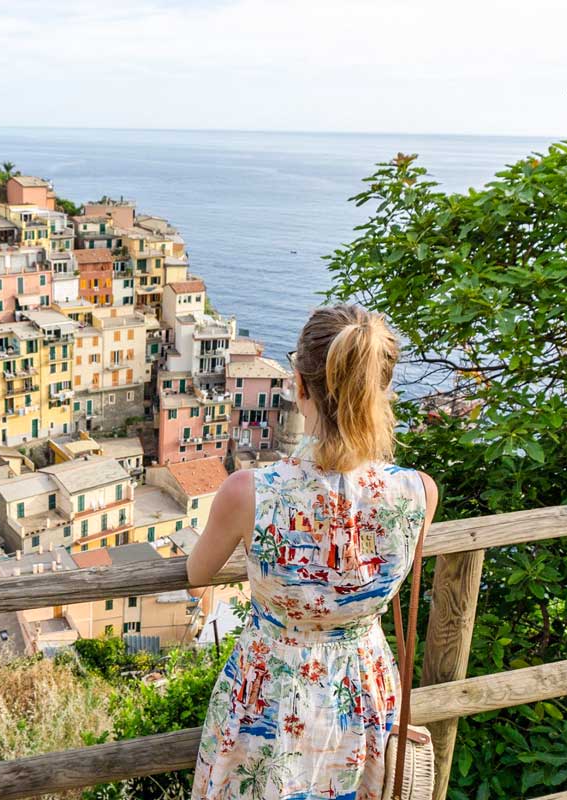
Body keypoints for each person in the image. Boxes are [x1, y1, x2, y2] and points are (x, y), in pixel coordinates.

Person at [187, 304, 439, 800]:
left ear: (299, 386)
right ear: (381, 389)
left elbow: (198, 574)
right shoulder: (418, 492)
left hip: (270, 695)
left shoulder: (248, 492)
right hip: (364, 690)